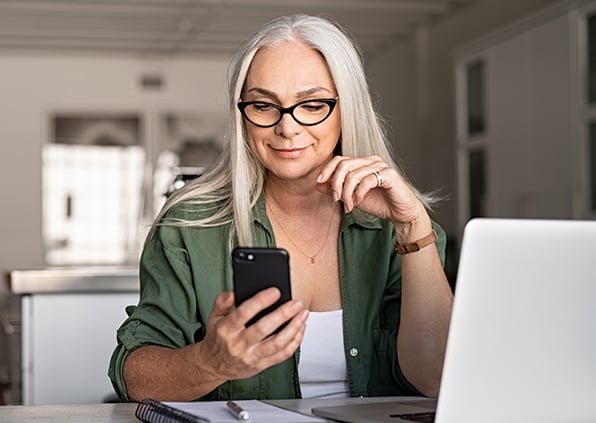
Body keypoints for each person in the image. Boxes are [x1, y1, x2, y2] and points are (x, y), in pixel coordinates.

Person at [108, 14, 453, 402]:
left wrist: (413, 229)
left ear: (346, 108)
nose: (286, 128)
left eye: (311, 105)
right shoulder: (189, 225)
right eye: (263, 105)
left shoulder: (402, 230)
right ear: (243, 116)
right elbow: (134, 377)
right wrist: (210, 362)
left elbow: (437, 379)